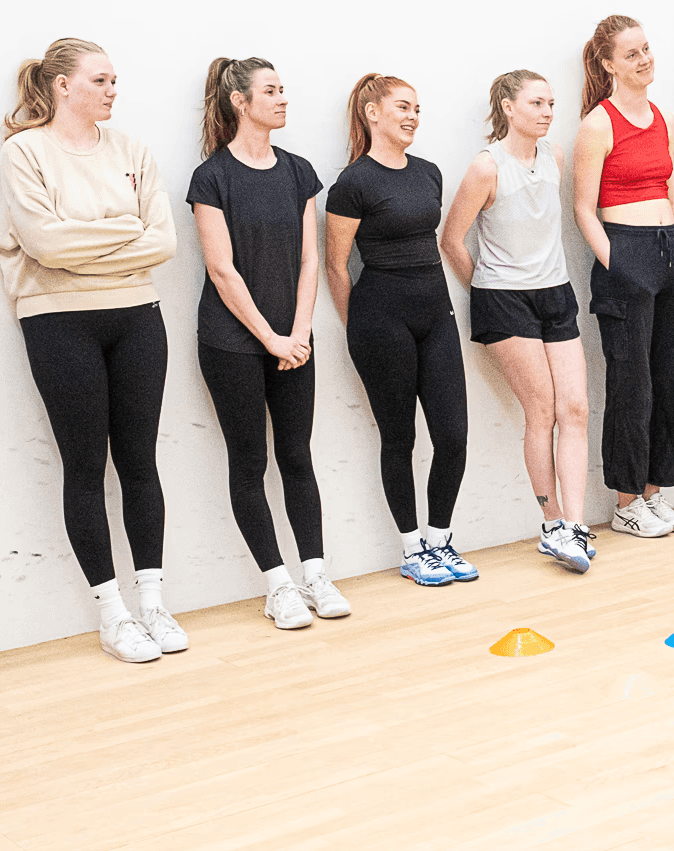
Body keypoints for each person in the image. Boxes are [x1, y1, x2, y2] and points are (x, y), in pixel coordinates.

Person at [0, 38, 182, 665]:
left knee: (140, 462)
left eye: (113, 80)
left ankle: (152, 603)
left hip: (138, 316)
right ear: (62, 86)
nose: (111, 91)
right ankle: (113, 615)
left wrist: (84, 245)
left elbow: (163, 242)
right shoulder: (24, 152)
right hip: (57, 321)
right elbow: (45, 245)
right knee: (84, 466)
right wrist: (122, 231)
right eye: (99, 80)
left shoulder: (131, 149)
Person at [187, 56, 348, 630]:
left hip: (294, 339)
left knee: (297, 456)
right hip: (232, 341)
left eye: (284, 90)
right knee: (250, 460)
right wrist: (271, 338)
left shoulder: (298, 171)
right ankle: (278, 586)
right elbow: (222, 270)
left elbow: (310, 260)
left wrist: (299, 332)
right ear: (240, 101)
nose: (282, 99)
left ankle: (316, 575)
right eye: (271, 91)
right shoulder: (211, 177)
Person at [440, 71, 596, 571]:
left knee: (575, 409)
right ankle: (551, 523)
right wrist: (488, 290)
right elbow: (452, 239)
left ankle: (574, 524)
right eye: (536, 103)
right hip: (504, 300)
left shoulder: (555, 157)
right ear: (508, 107)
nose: (547, 112)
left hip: (556, 293)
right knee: (542, 410)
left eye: (551, 103)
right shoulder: (486, 167)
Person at [330, 74, 477, 588]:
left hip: (436, 315)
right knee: (400, 437)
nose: (413, 116)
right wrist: (358, 327)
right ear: (372, 113)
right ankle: (413, 549)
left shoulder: (429, 173)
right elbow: (336, 267)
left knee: (453, 435)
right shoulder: (353, 184)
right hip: (380, 319)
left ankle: (440, 539)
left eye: (417, 108)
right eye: (402, 107)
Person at [571, 16, 674, 539]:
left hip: (673, 252)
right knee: (632, 385)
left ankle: (653, 493)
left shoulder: (664, 118)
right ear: (608, 64)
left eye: (646, 49)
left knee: (673, 380)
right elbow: (583, 209)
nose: (644, 60)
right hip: (626, 252)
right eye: (631, 54)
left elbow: (668, 190)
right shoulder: (597, 125)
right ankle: (626, 503)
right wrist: (616, 264)